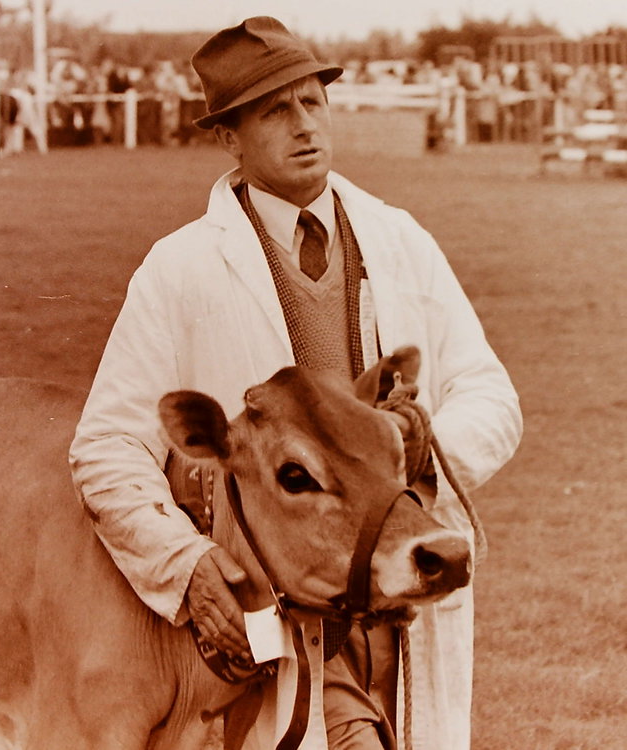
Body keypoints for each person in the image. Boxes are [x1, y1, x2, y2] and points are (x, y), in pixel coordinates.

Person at [69, 16, 522, 750]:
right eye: (275, 110)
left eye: (313, 102)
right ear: (229, 137)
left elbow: (493, 398)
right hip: (276, 626)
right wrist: (186, 568)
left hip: (404, 599)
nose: (304, 124)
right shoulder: (180, 270)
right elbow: (106, 448)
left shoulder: (402, 240)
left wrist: (412, 454)